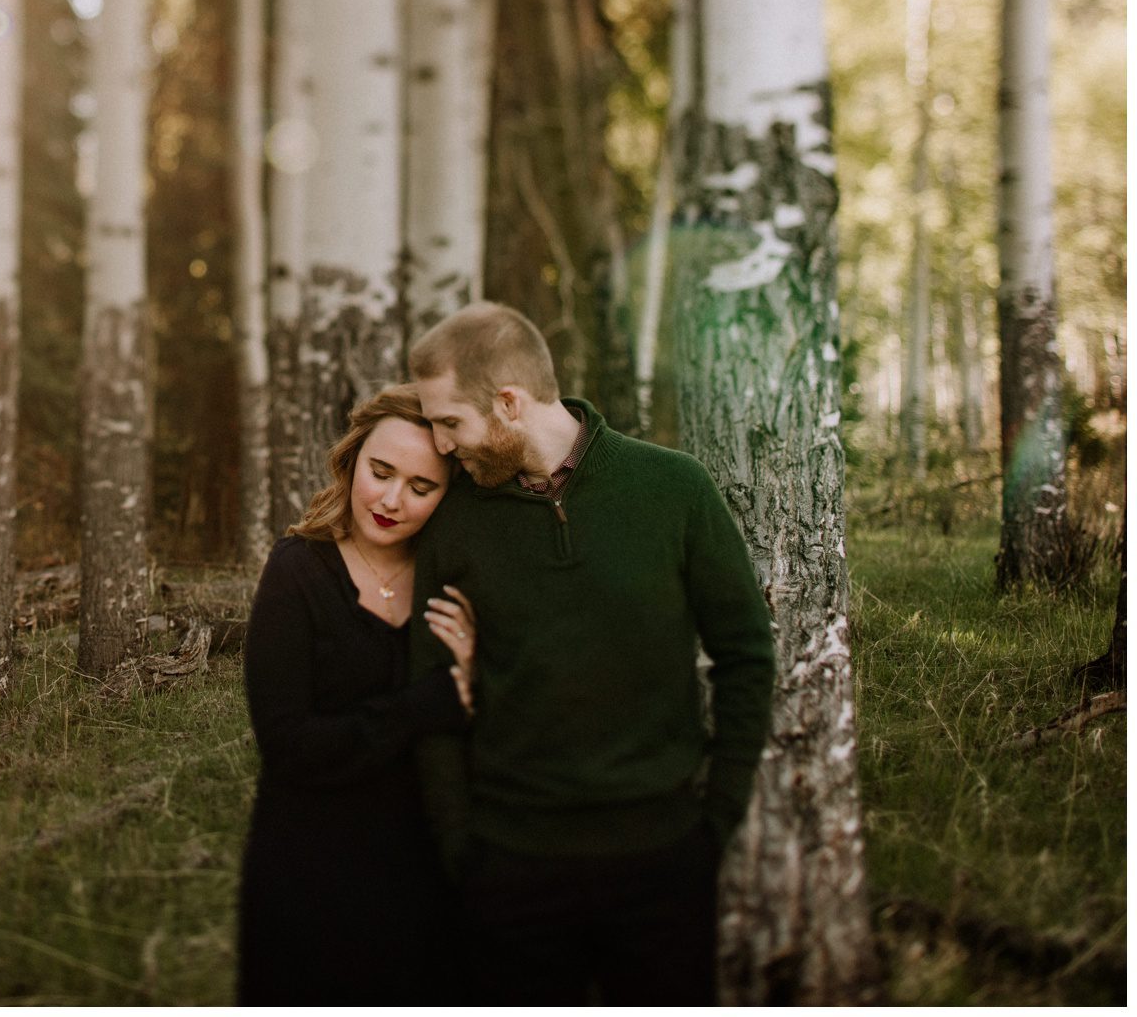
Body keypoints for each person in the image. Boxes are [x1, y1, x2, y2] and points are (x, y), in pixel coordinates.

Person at [406, 301, 776, 1006]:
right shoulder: (456, 523)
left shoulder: (674, 489)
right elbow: (429, 688)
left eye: (449, 421)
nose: (442, 444)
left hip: (661, 864)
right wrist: (460, 847)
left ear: (509, 403)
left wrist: (716, 821)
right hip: (510, 871)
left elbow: (746, 654)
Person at [236, 384, 476, 1006]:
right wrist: (430, 703)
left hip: (430, 871)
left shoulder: (455, 583)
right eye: (381, 472)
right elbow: (290, 745)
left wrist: (479, 681)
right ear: (351, 461)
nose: (392, 500)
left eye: (422, 488)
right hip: (310, 872)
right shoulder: (297, 570)